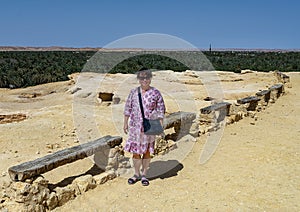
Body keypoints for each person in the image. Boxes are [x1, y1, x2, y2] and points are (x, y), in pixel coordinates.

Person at [123, 69, 165, 186]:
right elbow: (128, 108)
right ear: (139, 79)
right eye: (142, 78)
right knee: (135, 152)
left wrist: (160, 126)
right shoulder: (133, 92)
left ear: (150, 78)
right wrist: (125, 123)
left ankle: (144, 175)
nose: (144, 80)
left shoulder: (156, 93)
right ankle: (136, 174)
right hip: (135, 128)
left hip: (149, 127)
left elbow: (161, 110)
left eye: (147, 78)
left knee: (146, 151)